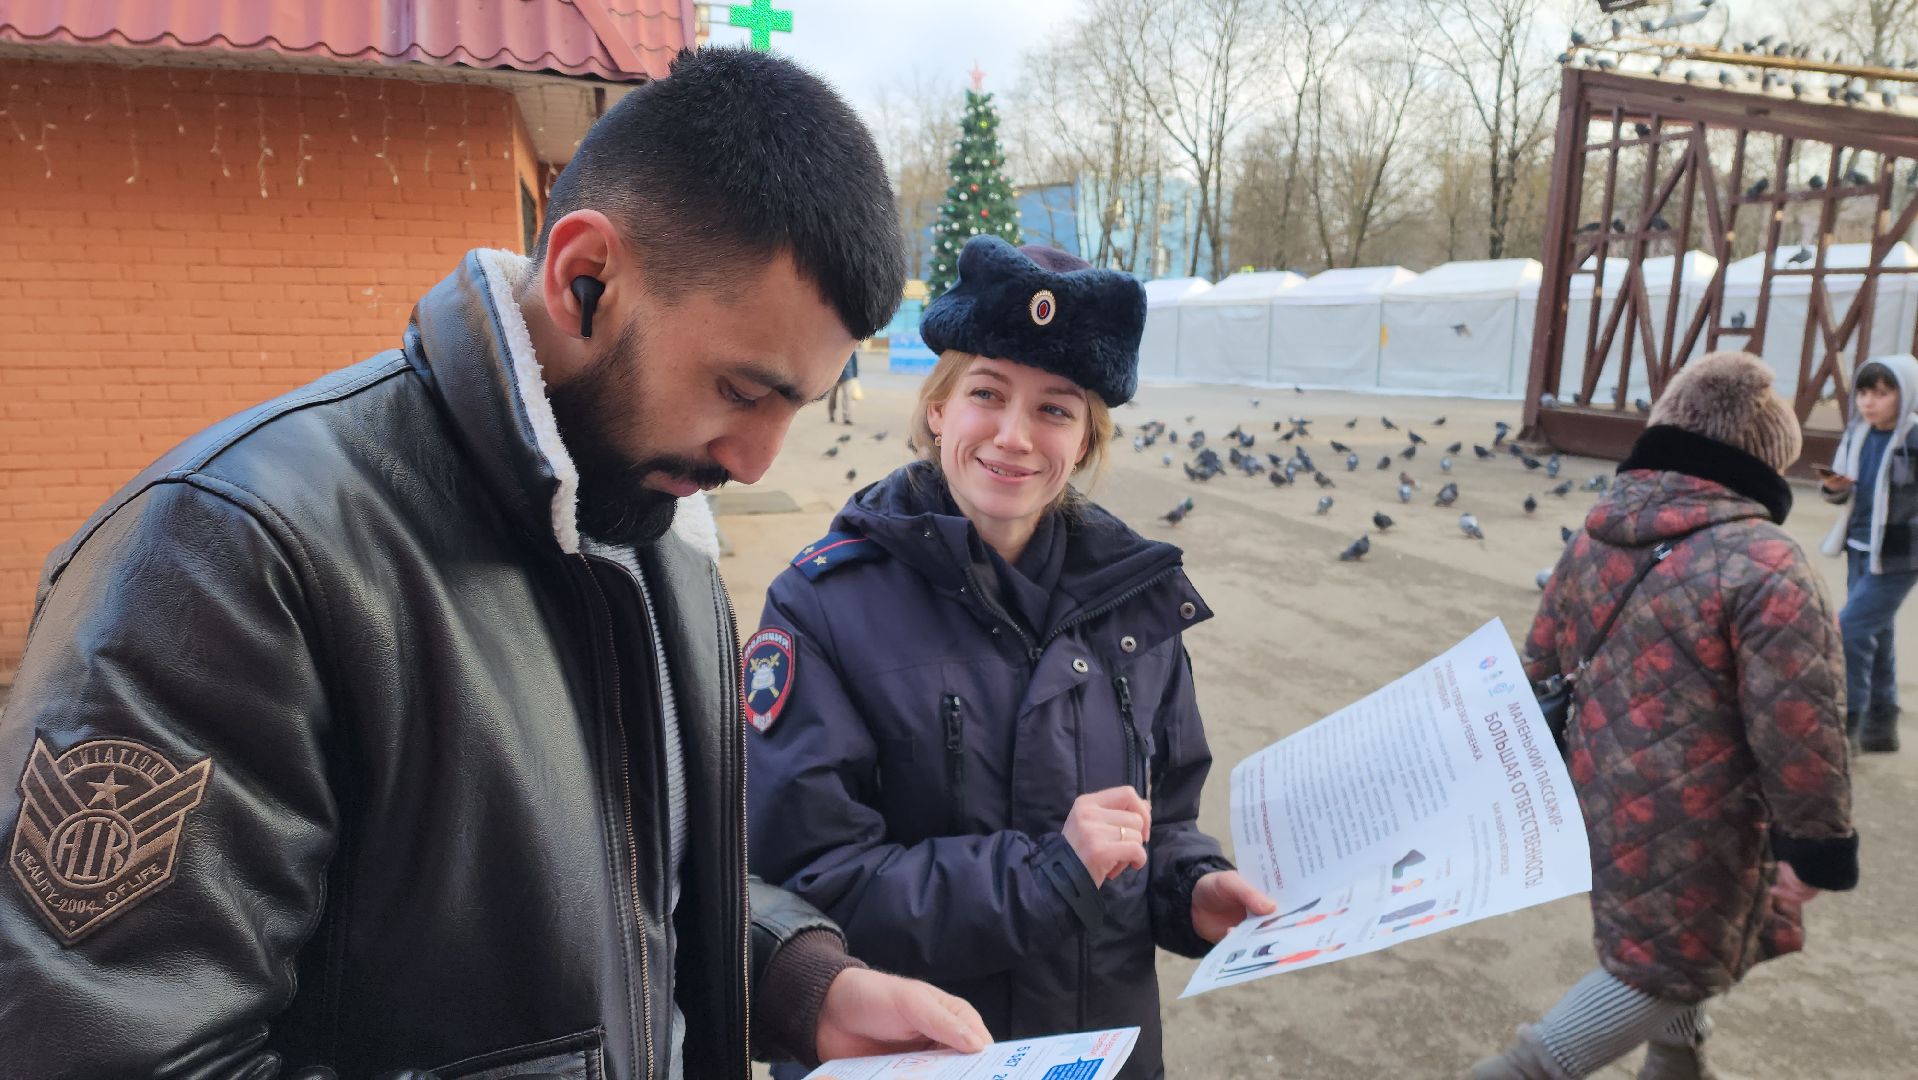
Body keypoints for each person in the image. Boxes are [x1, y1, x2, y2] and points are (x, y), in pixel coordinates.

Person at [0, 48, 990, 1080]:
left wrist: (793, 983)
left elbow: (616, 888)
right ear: (585, 278)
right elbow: (106, 1051)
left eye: (800, 405)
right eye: (742, 391)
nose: (754, 462)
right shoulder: (231, 553)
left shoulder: (661, 542)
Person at [744, 236, 1275, 1080]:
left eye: (1056, 409)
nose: (1014, 437)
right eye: (987, 394)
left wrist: (1193, 888)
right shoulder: (821, 608)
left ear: (1087, 438)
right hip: (923, 1059)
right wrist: (1049, 873)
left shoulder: (1139, 603)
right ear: (937, 410)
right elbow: (808, 884)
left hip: (1102, 1055)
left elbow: (1160, 823)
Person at [1474, 352, 1859, 1080]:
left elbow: (1540, 661)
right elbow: (1799, 724)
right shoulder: (1767, 561)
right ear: (1769, 455)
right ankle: (1519, 1071)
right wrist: (1816, 845)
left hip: (1594, 794)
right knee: (1662, 967)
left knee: (1670, 942)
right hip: (1699, 819)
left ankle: (1678, 1064)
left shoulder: (1595, 533)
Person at [1818, 353, 1918, 753]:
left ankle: (1849, 725)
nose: (1869, 402)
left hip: (1899, 555)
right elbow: (1841, 495)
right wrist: (1835, 487)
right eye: (1863, 392)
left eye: (1882, 392)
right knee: (1877, 631)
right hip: (1858, 547)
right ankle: (1882, 726)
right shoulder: (1856, 434)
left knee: (1850, 630)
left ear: (1905, 393)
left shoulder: (1913, 438)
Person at [828, 350, 860, 425]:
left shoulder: (850, 344)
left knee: (847, 396)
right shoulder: (832, 346)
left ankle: (847, 417)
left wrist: (855, 374)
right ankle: (831, 414)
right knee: (832, 397)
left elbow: (854, 359)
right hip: (833, 375)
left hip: (848, 375)